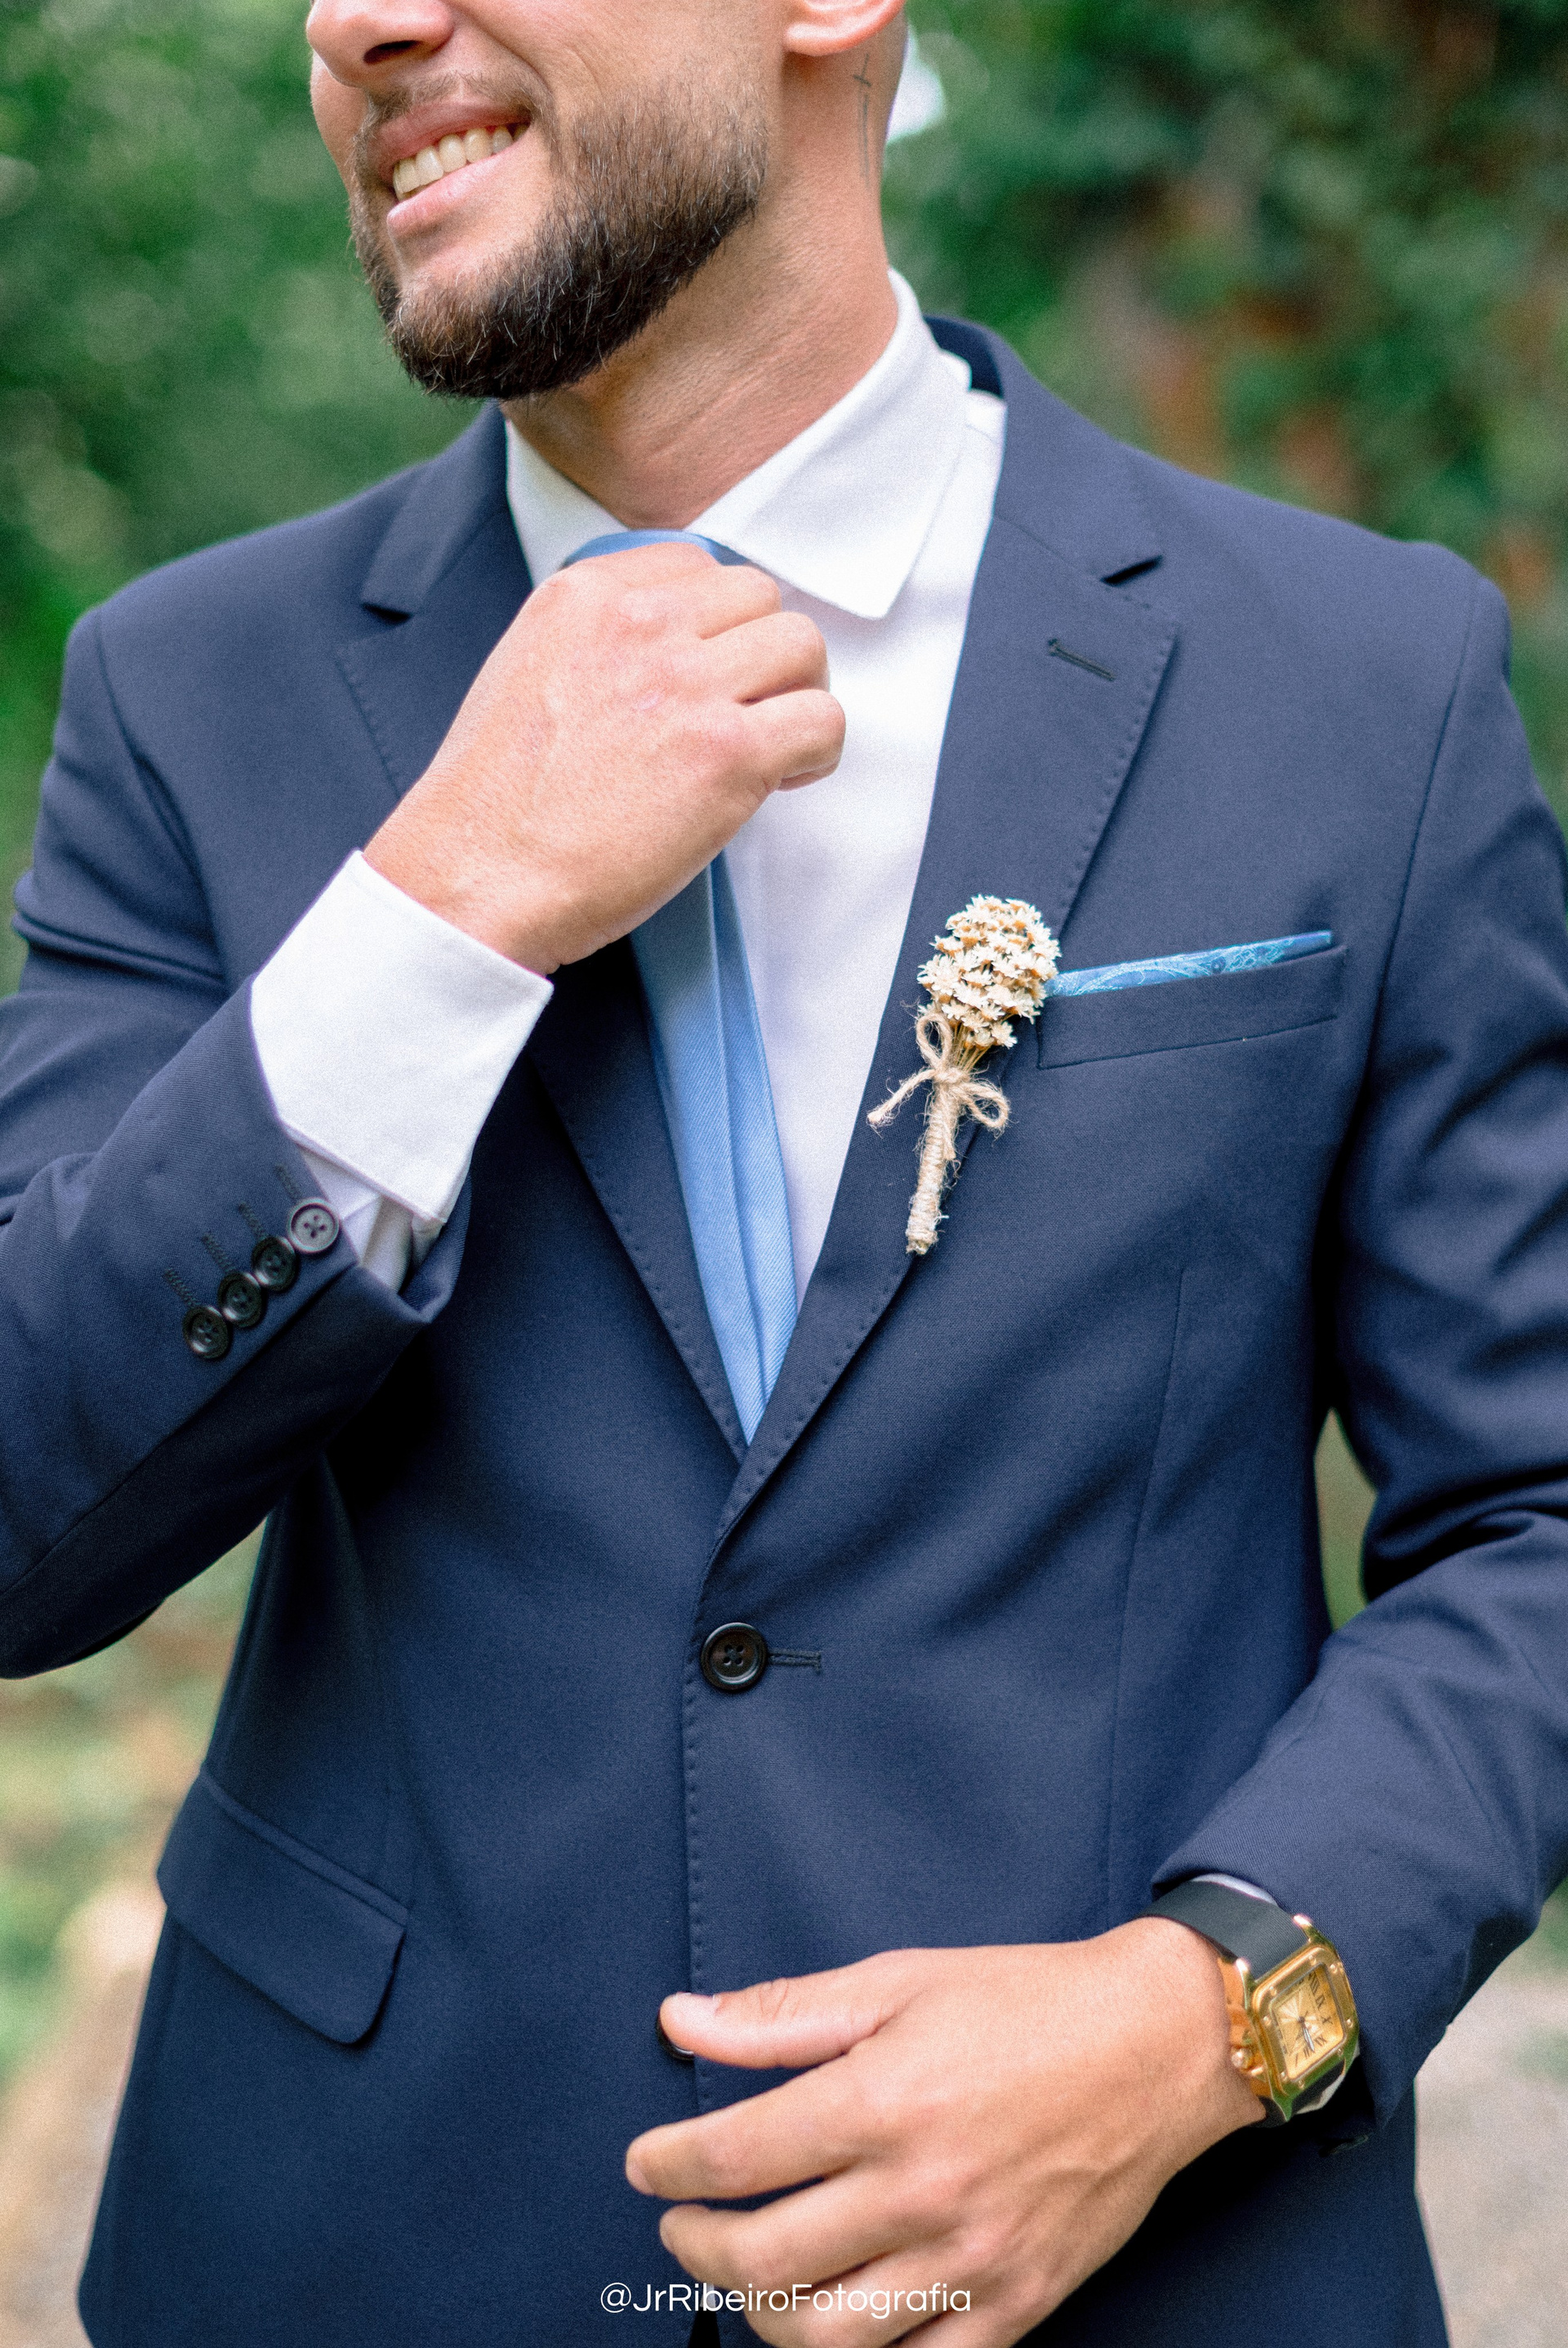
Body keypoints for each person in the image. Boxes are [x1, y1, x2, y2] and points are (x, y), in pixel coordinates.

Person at [2, 0, 1566, 2340]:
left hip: (1156, 2274)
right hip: (370, 2244)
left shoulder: (1363, 677)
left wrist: (1201, 2011)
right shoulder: (184, 694)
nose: (353, 22)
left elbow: (1538, 1515)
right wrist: (438, 914)